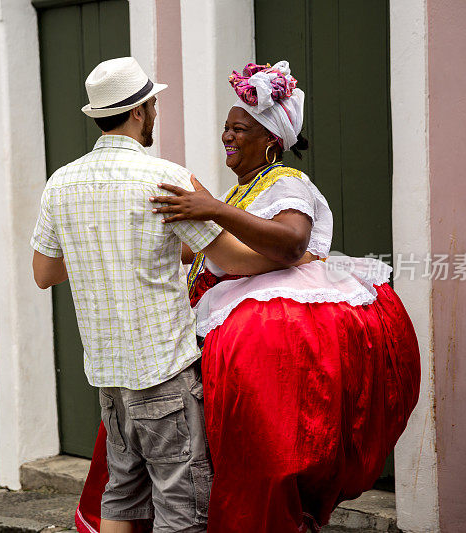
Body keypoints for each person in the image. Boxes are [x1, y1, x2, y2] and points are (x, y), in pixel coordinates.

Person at [75, 61, 421, 533]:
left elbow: (292, 242)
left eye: (239, 129)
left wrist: (213, 209)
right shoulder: (238, 192)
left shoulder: (287, 183)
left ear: (271, 140)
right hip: (216, 321)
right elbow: (206, 250)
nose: (227, 138)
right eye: (226, 129)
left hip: (264, 331)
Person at [31, 57, 299, 533]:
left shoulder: (61, 183)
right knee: (183, 507)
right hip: (163, 371)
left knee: (122, 493)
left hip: (108, 374)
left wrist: (106, 252)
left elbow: (45, 273)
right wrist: (293, 259)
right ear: (140, 111)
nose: (154, 112)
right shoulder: (165, 178)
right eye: (152, 104)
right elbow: (230, 261)